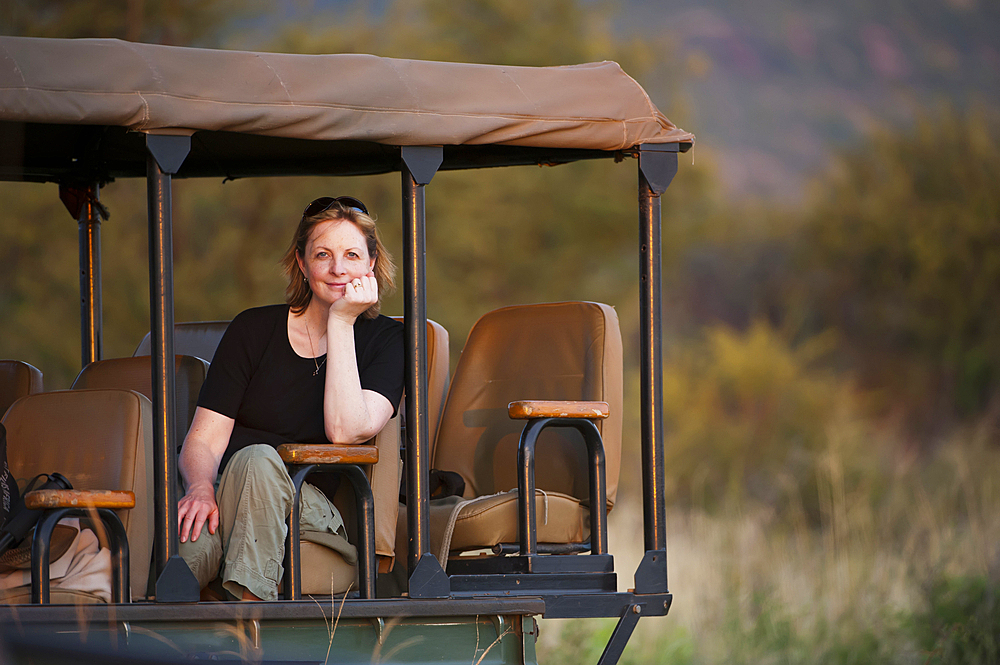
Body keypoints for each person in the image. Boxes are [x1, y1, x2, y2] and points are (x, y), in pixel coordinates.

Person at [176, 196, 403, 601]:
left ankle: (248, 615)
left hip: (308, 504)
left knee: (260, 459)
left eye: (352, 255)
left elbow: (345, 430)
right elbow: (205, 440)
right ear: (302, 263)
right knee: (192, 525)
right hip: (228, 490)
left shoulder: (388, 340)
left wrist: (342, 320)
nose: (338, 269)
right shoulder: (253, 329)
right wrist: (199, 488)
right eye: (323, 255)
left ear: (370, 263)